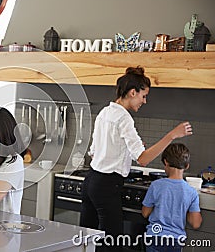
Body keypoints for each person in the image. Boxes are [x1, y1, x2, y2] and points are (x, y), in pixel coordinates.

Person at [80, 66, 193, 251]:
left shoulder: (104, 113)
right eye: (143, 95)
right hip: (107, 185)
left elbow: (93, 151)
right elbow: (142, 159)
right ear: (133, 92)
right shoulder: (124, 118)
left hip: (91, 181)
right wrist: (172, 135)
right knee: (112, 245)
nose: (145, 101)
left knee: (85, 241)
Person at [142, 143, 202, 252]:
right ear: (187, 165)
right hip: (175, 241)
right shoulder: (191, 192)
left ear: (166, 162)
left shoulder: (156, 185)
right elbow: (196, 223)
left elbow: (145, 213)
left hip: (154, 237)